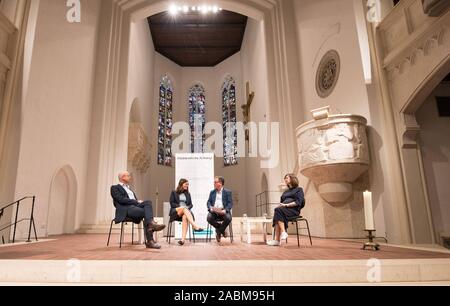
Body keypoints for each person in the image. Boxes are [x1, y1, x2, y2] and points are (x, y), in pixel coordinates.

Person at [110, 171, 165, 249]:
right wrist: (136, 201)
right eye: (128, 176)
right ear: (122, 177)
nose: (130, 177)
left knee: (148, 202)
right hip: (126, 209)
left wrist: (138, 202)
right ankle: (150, 240)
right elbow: (121, 200)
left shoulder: (129, 189)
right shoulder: (114, 188)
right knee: (147, 214)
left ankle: (150, 225)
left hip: (135, 208)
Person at [267, 173, 305, 247]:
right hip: (284, 210)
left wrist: (286, 205)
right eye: (285, 178)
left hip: (293, 210)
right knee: (278, 211)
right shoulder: (285, 192)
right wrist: (282, 205)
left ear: (292, 179)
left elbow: (299, 202)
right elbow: (282, 202)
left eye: (287, 178)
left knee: (277, 211)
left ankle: (278, 240)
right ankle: (282, 234)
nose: (285, 179)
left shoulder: (299, 190)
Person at [169, 179, 204, 246]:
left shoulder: (188, 194)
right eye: (186, 184)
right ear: (181, 184)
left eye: (188, 184)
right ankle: (195, 226)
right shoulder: (174, 192)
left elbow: (191, 204)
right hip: (176, 211)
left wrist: (187, 208)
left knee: (185, 216)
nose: (187, 186)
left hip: (185, 212)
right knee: (184, 208)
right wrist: (181, 207)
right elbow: (172, 203)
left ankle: (182, 240)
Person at [207, 176, 233, 242]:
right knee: (209, 218)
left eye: (215, 182)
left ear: (220, 183)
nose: (214, 183)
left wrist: (225, 210)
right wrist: (210, 208)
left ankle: (218, 231)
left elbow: (230, 203)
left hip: (223, 210)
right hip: (214, 211)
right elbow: (208, 202)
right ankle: (222, 230)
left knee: (228, 218)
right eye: (214, 182)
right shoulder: (212, 192)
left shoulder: (227, 192)